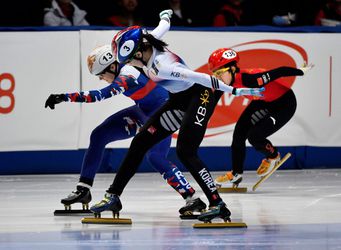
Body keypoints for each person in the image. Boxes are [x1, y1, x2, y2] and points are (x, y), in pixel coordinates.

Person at [90, 23, 264, 222]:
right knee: (140, 143)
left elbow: (202, 77)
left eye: (129, 61)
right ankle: (113, 196)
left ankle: (218, 204)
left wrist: (233, 90)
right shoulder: (146, 46)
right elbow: (158, 30)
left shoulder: (163, 67)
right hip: (179, 99)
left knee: (185, 151)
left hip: (200, 95)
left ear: (138, 54)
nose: (129, 66)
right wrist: (165, 18)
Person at [45, 10, 204, 215]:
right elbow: (157, 31)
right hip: (143, 112)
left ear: (111, 66)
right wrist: (165, 18)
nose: (102, 79)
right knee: (99, 135)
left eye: (101, 75)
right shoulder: (127, 64)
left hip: (163, 115)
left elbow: (99, 95)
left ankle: (193, 198)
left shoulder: (127, 75)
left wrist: (64, 96)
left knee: (156, 157)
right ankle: (83, 190)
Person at [209, 48, 314, 187]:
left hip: (284, 104)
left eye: (220, 73)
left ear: (232, 69)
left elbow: (280, 71)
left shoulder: (251, 78)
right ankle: (236, 174)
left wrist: (301, 71)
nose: (217, 78)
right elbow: (212, 102)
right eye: (215, 74)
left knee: (254, 136)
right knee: (239, 132)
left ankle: (273, 155)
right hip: (263, 102)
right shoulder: (224, 83)